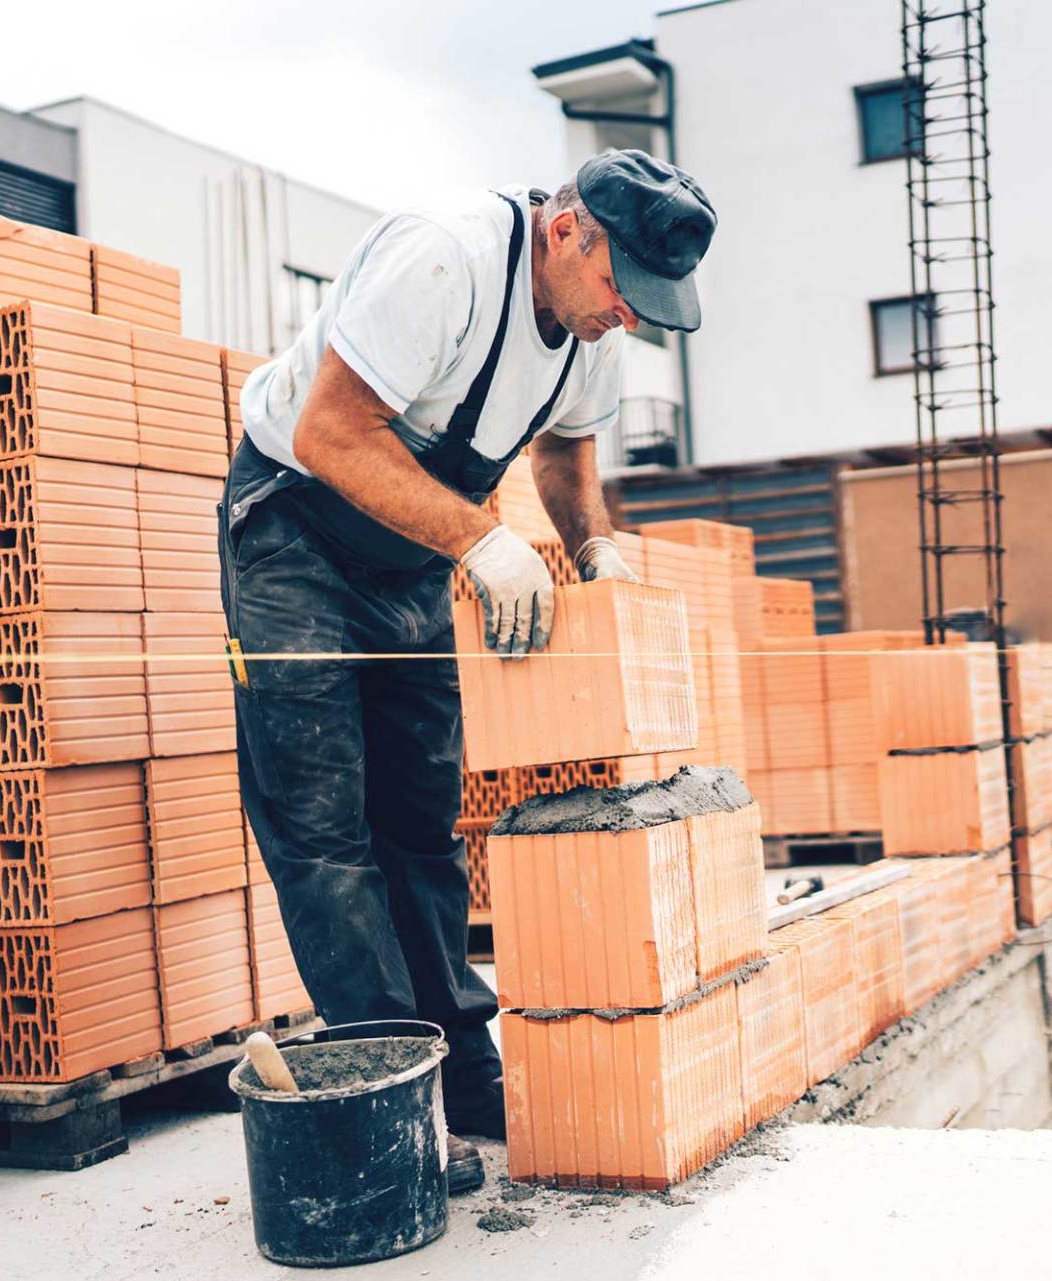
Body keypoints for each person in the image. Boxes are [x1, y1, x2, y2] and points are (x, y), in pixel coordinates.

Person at [218, 150, 716, 1194]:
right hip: (296, 533)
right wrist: (482, 543)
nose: (629, 317)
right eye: (625, 290)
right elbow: (331, 432)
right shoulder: (444, 261)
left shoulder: (593, 330)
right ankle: (392, 1088)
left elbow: (566, 458)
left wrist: (594, 552)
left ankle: (463, 1062)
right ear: (567, 229)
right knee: (325, 829)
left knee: (423, 819)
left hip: (408, 553)